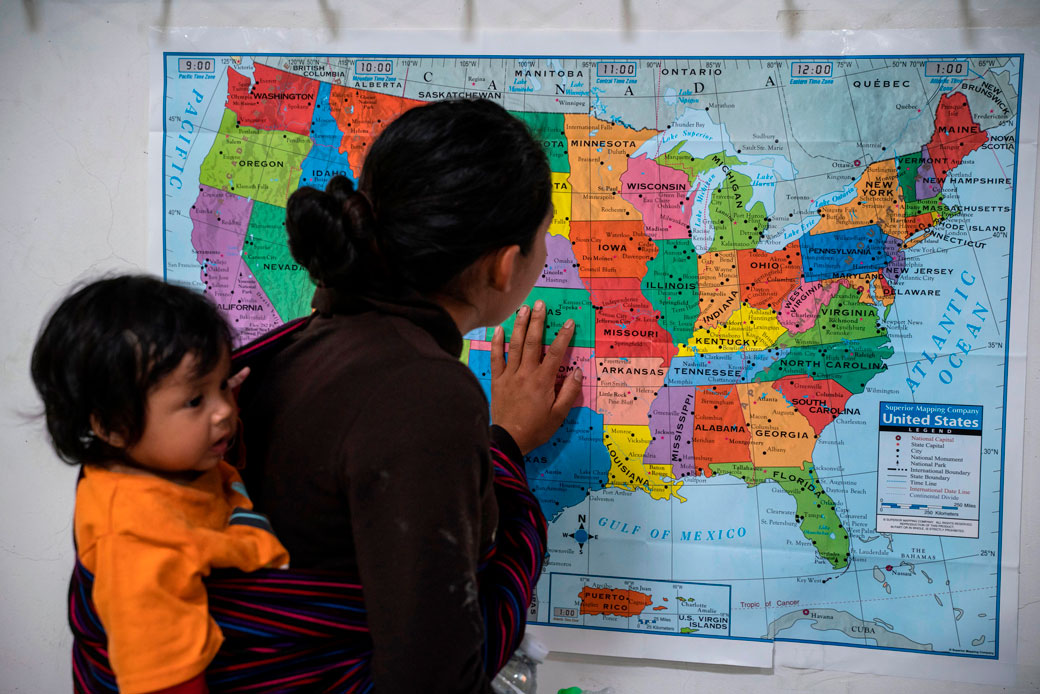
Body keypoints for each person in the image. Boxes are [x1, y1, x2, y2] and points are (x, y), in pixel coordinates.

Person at [236, 98, 582, 692]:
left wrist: (501, 442)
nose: (546, 254)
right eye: (544, 236)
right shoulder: (421, 392)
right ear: (504, 266)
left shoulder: (309, 343)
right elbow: (439, 675)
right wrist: (505, 471)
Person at [31, 275, 289, 694]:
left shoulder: (162, 456)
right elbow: (167, 680)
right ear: (114, 426)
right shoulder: (139, 543)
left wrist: (205, 399)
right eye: (194, 400)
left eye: (223, 383)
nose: (224, 410)